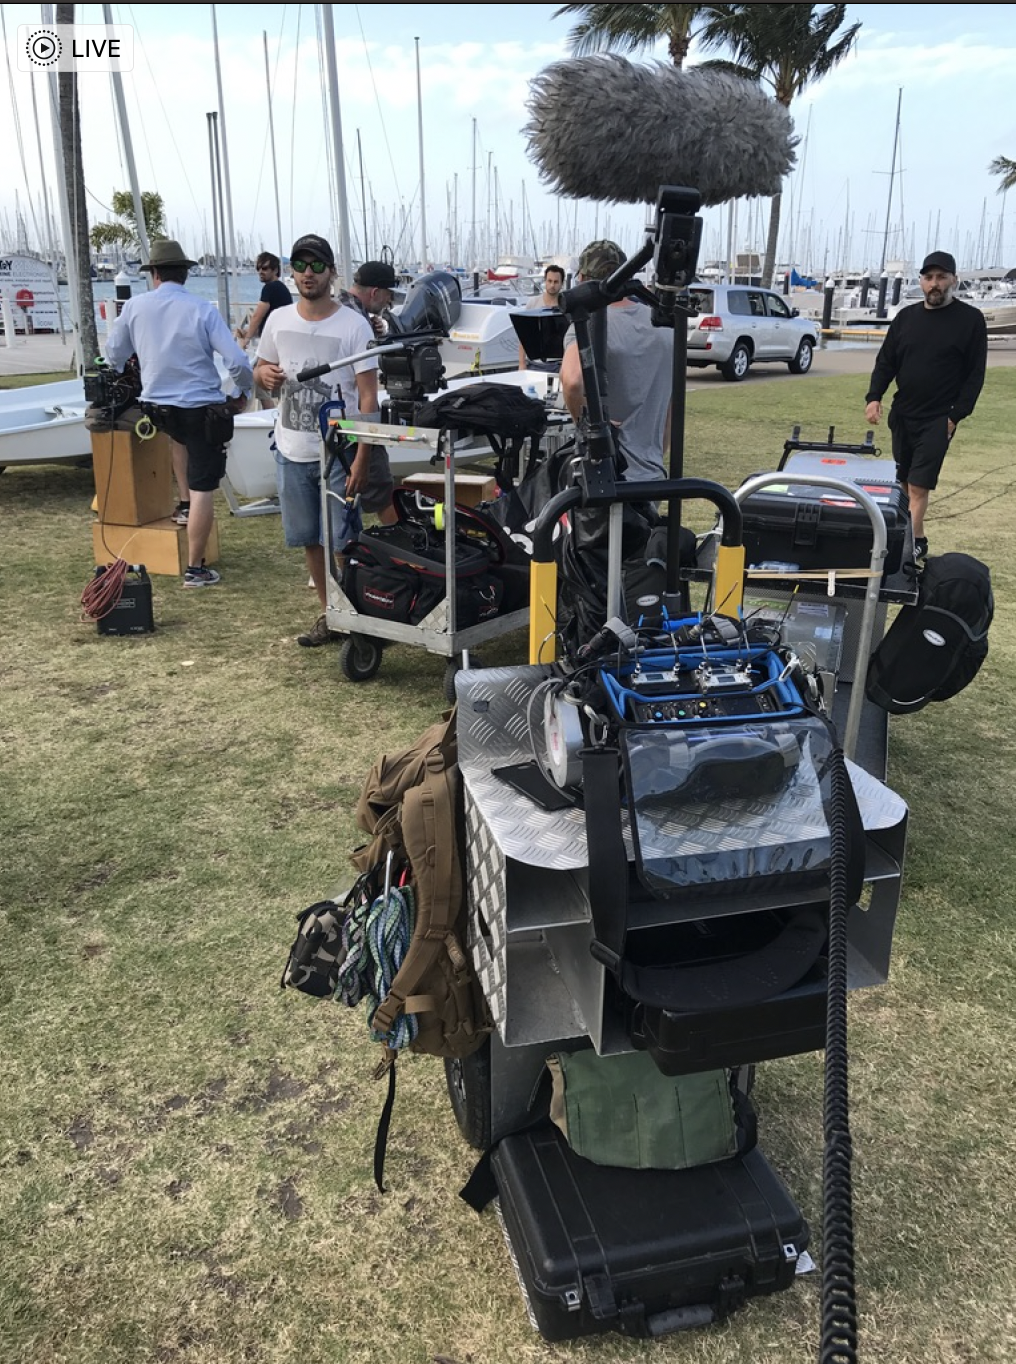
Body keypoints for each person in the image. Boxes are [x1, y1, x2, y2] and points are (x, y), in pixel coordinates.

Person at [253, 233, 395, 647]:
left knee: (343, 540)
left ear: (332, 272)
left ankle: (358, 615)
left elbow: (368, 397)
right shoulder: (278, 320)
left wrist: (363, 456)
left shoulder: (353, 325)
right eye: (300, 265)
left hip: (340, 452)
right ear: (291, 271)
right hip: (291, 449)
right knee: (309, 540)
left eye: (317, 265)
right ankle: (330, 613)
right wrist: (262, 375)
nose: (308, 273)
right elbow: (260, 370)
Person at [105, 238, 252, 587]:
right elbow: (236, 360)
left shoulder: (135, 306)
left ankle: (184, 503)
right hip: (199, 406)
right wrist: (242, 392)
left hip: (157, 407)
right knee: (205, 486)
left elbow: (113, 353)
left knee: (179, 440)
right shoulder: (201, 309)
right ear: (184, 273)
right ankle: (195, 568)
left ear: (154, 273)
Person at [865, 250, 987, 561]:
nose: (935, 283)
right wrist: (874, 397)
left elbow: (975, 375)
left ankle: (905, 550)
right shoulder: (906, 318)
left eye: (941, 277)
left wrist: (955, 416)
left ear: (953, 280)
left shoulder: (971, 320)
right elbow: (886, 361)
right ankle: (917, 537)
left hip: (938, 418)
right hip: (903, 414)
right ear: (921, 282)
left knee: (919, 486)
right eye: (929, 277)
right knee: (903, 482)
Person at [559, 239, 673, 482]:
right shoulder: (664, 327)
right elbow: (669, 413)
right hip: (652, 474)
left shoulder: (587, 325)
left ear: (582, 280)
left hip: (606, 478)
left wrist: (590, 424)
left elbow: (572, 381)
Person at [237, 252, 293, 410]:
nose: (261, 272)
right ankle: (276, 413)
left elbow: (258, 315)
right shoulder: (281, 288)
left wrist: (246, 339)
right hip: (283, 343)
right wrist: (250, 332)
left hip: (275, 346)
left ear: (275, 270)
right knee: (274, 386)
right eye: (258, 268)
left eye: (265, 268)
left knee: (259, 382)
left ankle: (271, 414)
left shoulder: (270, 288)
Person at [518, 263, 565, 369]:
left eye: (556, 282)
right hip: (535, 364)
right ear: (545, 281)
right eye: (549, 281)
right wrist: (521, 363)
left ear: (562, 283)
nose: (552, 285)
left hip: (559, 364)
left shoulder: (566, 306)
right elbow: (524, 336)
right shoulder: (533, 303)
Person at [339, 259, 399, 338]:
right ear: (374, 293)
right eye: (390, 295)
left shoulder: (338, 305)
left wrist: (371, 330)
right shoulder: (358, 321)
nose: (390, 300)